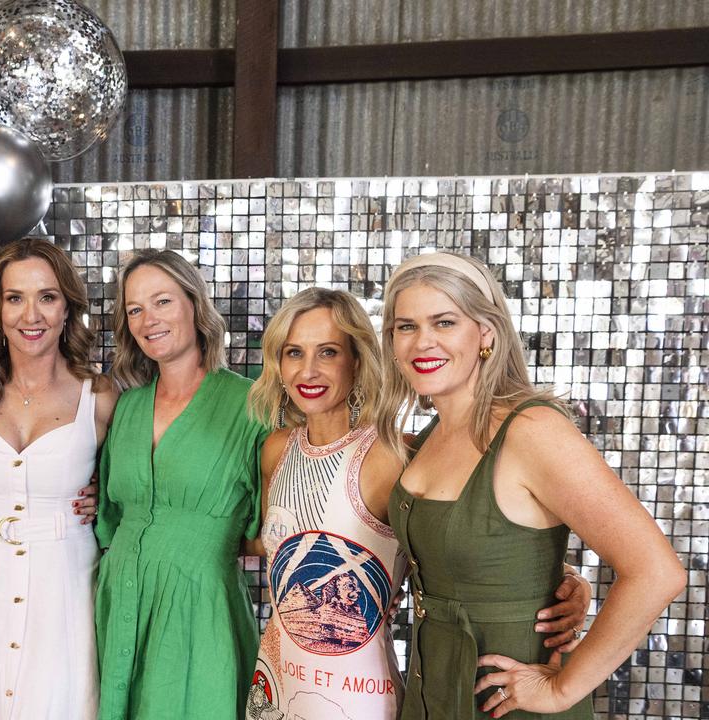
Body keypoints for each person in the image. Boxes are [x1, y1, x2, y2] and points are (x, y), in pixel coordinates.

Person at [242, 288, 591, 720]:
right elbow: (272, 542)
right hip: (273, 684)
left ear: (357, 360)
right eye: (294, 352)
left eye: (328, 352)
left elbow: (452, 540)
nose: (308, 370)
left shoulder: (395, 454)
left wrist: (566, 579)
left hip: (357, 696)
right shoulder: (275, 449)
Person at [380, 252, 685, 719]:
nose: (423, 342)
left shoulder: (532, 431)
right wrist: (561, 576)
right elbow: (493, 543)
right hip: (432, 689)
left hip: (509, 701)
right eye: (406, 326)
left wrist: (562, 690)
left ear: (485, 332)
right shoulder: (426, 438)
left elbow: (656, 571)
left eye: (444, 322)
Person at [0, 238, 117, 719]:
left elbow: (127, 487)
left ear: (67, 308)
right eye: (15, 298)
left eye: (47, 297)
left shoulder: (99, 397)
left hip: (66, 585)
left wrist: (106, 498)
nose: (30, 315)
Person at [94, 249, 268, 719]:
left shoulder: (253, 405)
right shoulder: (126, 408)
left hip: (199, 607)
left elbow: (272, 527)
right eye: (135, 309)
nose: (149, 319)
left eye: (163, 301)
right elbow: (110, 516)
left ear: (195, 304)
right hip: (120, 599)